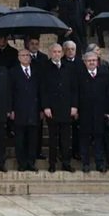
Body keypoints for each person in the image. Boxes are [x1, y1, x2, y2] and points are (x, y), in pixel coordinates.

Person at [41, 43, 77, 172]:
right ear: (50, 53)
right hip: (52, 108)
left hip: (66, 107)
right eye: (54, 52)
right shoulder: (45, 67)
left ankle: (66, 163)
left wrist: (74, 105)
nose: (57, 54)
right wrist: (45, 106)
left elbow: (74, 88)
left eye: (59, 52)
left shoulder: (69, 67)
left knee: (66, 138)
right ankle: (52, 163)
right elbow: (43, 89)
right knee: (53, 138)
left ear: (62, 53)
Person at [77, 51, 109, 173]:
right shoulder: (79, 76)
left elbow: (108, 94)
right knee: (84, 139)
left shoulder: (104, 75)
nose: (92, 62)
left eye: (94, 60)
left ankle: (100, 163)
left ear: (97, 62)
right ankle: (85, 163)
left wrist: (107, 111)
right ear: (85, 62)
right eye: (89, 60)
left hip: (100, 113)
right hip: (84, 113)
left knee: (99, 138)